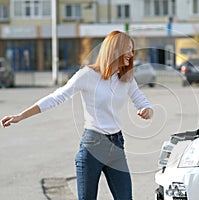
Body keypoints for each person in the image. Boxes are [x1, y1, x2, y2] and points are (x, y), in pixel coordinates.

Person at [1, 30, 153, 200]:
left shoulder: (127, 79)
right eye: (128, 49)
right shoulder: (87, 75)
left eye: (133, 50)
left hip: (116, 145)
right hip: (92, 146)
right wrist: (21, 116)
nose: (131, 54)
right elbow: (56, 97)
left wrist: (147, 110)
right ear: (115, 49)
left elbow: (143, 102)